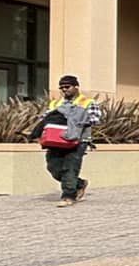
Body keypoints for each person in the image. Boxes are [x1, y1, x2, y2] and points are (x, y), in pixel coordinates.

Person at [30, 74, 99, 207]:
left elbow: (95, 119)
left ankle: (68, 196)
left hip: (78, 141)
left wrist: (73, 117)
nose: (64, 89)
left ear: (76, 87)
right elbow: (45, 119)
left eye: (67, 87)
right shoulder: (56, 104)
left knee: (70, 168)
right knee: (54, 168)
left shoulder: (87, 102)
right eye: (61, 87)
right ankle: (79, 184)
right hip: (56, 140)